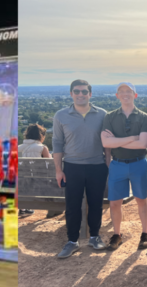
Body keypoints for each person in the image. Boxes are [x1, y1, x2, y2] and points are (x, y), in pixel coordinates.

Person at [52, 79, 110, 258]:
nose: (80, 95)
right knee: (72, 206)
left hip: (97, 166)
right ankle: (72, 241)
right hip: (72, 167)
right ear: (71, 94)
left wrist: (107, 165)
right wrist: (58, 170)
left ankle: (94, 237)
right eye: (76, 91)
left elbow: (107, 144)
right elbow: (57, 143)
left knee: (96, 204)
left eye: (84, 92)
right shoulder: (61, 116)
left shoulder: (102, 114)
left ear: (90, 94)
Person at [101, 82, 147, 250]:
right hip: (117, 164)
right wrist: (132, 138)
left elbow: (143, 144)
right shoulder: (109, 116)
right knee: (115, 203)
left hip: (139, 163)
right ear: (117, 96)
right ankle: (117, 235)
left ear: (135, 95)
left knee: (141, 200)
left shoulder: (144, 117)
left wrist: (116, 142)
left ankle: (145, 233)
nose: (125, 94)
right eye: (121, 91)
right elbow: (105, 142)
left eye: (128, 91)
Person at [19, 123, 52, 216]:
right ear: (41, 136)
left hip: (20, 185)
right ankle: (54, 210)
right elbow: (50, 165)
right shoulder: (42, 148)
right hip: (38, 184)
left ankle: (22, 208)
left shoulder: (18, 148)